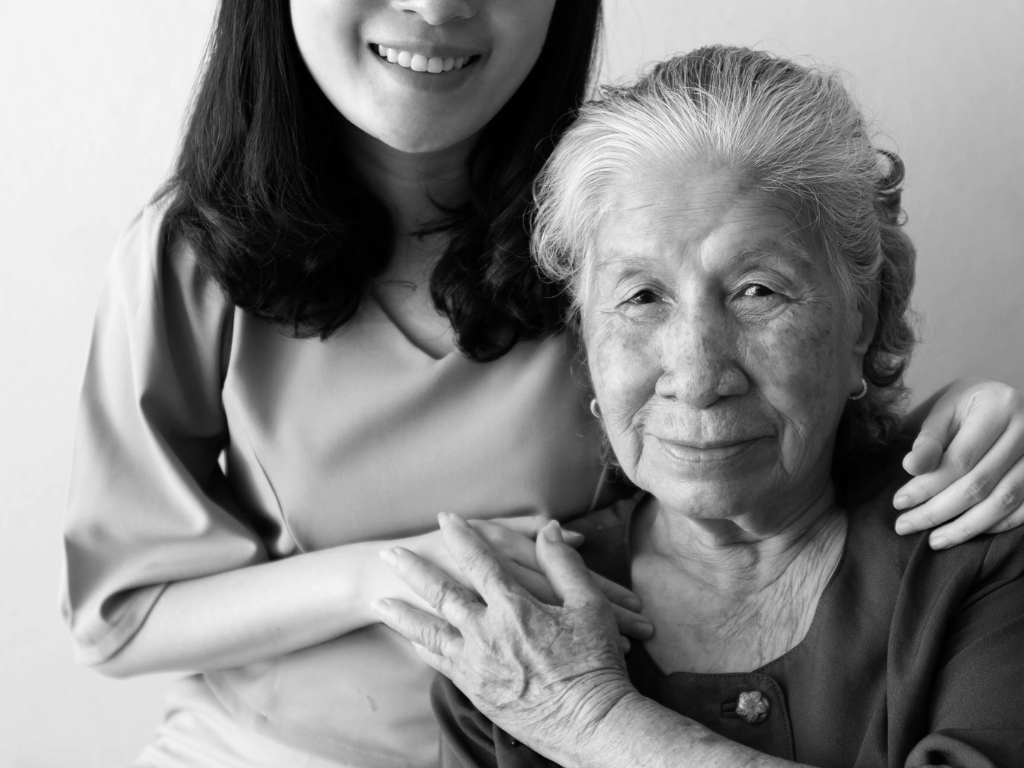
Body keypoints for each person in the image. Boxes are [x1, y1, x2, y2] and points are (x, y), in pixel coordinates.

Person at [61, 0, 1023, 765]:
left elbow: (781, 421)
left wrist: (956, 425)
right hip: (298, 746)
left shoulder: (627, 204)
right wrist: (396, 578)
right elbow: (119, 616)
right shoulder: (191, 253)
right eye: (641, 299)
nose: (433, 6)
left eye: (756, 290)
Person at [373, 47, 1024, 768]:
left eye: (758, 291)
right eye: (641, 298)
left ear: (861, 317)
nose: (698, 373)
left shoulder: (982, 554)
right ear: (585, 337)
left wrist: (590, 722)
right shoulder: (516, 629)